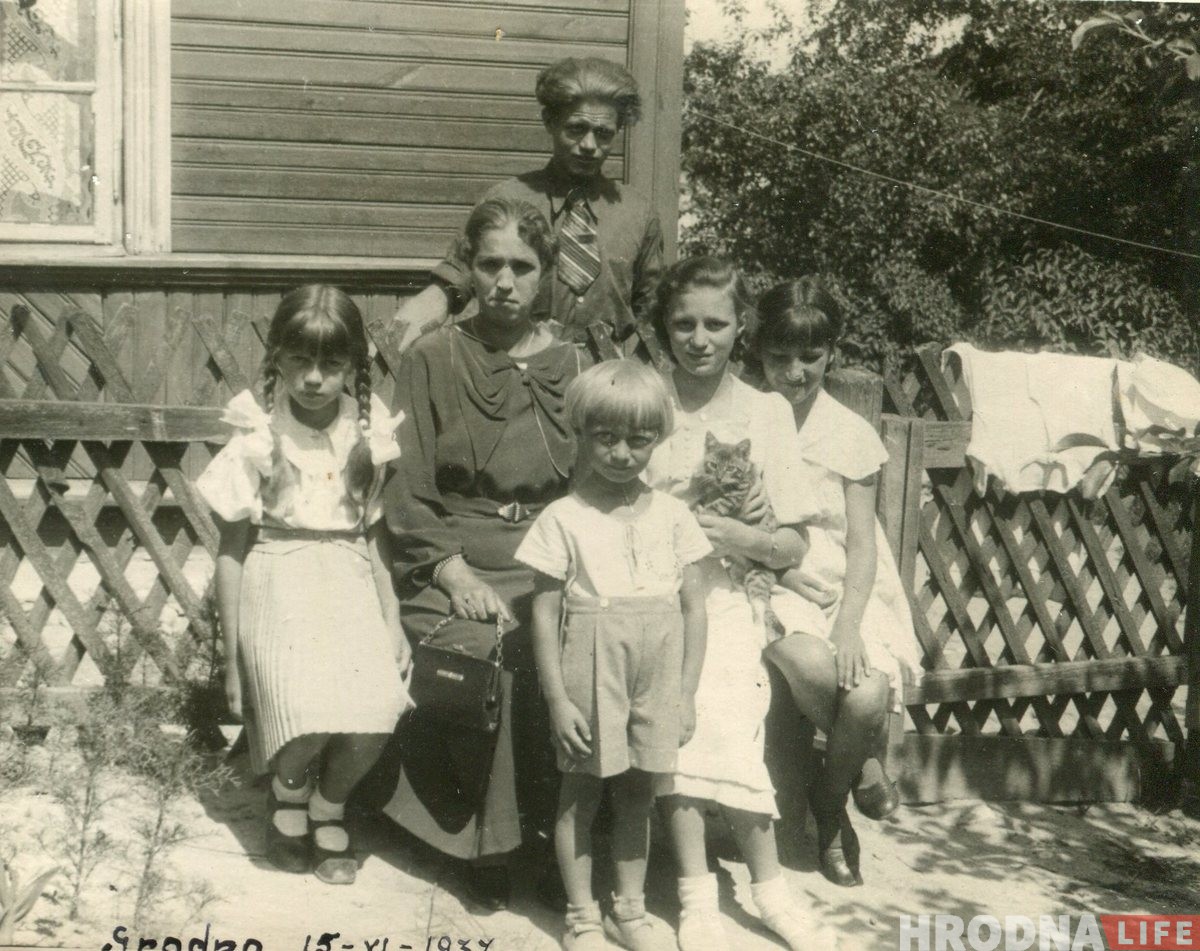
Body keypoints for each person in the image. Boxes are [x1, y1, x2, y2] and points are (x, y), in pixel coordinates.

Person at [379, 196, 586, 910]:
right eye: (489, 263)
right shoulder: (432, 356)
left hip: (550, 558)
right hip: (455, 553)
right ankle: (486, 846)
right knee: (487, 642)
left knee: (583, 643)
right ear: (468, 268)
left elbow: (597, 480)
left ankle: (569, 840)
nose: (504, 280)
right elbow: (404, 487)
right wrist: (452, 568)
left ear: (546, 275)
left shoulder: (574, 362)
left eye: (522, 267)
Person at [644, 257, 835, 951]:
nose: (698, 338)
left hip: (730, 593)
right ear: (663, 326)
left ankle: (757, 887)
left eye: (715, 323)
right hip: (649, 590)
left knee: (720, 696)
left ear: (741, 327)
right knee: (680, 712)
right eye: (683, 322)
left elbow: (792, 545)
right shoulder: (644, 397)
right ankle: (707, 896)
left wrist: (738, 534)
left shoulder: (766, 410)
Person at [198, 284, 411, 885]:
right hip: (278, 573)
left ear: (352, 367)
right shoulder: (258, 439)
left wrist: (392, 620)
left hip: (347, 577)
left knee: (376, 711)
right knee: (308, 713)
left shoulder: (367, 436)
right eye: (300, 360)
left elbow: (373, 538)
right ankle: (288, 795)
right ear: (277, 359)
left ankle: (328, 805)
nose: (315, 378)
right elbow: (232, 551)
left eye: (332, 364)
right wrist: (232, 653)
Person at [515, 360, 709, 951]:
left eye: (639, 439)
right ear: (582, 433)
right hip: (592, 665)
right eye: (606, 437)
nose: (622, 453)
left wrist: (685, 693)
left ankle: (630, 909)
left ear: (658, 438)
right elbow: (545, 615)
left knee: (638, 792)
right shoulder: (563, 518)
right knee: (582, 792)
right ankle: (580, 915)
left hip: (659, 665)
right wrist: (557, 699)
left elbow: (694, 609)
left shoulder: (676, 515)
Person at [749, 277, 922, 887]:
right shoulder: (746, 416)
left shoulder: (849, 432)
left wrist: (849, 621)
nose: (795, 373)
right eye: (779, 356)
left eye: (811, 357)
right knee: (818, 670)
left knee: (869, 691)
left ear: (832, 352)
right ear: (757, 349)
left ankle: (827, 807)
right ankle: (865, 769)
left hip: (845, 580)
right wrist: (784, 571)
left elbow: (862, 542)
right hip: (768, 572)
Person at [393, 56, 664, 364]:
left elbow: (656, 315)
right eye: (576, 128)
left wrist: (635, 380)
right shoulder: (506, 200)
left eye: (603, 133)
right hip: (514, 376)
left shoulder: (637, 214)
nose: (589, 145)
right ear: (550, 121)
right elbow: (449, 289)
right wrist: (384, 348)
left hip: (602, 387)